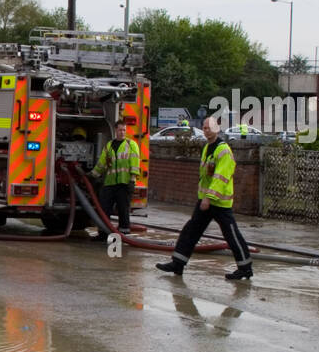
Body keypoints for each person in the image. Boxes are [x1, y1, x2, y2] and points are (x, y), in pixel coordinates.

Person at [156, 116, 254, 281]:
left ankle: (245, 268)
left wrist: (208, 198)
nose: (205, 130)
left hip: (218, 202)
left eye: (208, 127)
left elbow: (220, 177)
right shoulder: (208, 147)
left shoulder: (223, 150)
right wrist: (204, 198)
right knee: (190, 231)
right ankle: (177, 263)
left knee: (231, 235)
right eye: (204, 127)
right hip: (206, 201)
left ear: (216, 129)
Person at [90, 119, 141, 238]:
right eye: (120, 130)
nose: (122, 132)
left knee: (123, 209)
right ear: (115, 130)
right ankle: (103, 233)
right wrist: (93, 174)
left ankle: (123, 233)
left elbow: (135, 163)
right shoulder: (109, 146)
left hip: (124, 183)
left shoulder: (131, 144)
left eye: (124, 130)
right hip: (110, 183)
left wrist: (132, 180)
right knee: (104, 209)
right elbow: (102, 163)